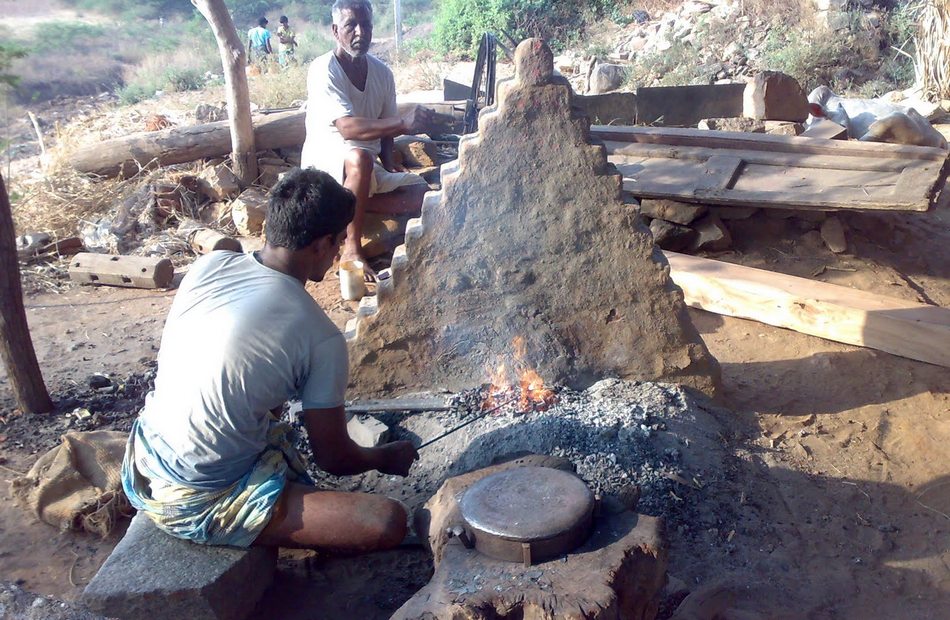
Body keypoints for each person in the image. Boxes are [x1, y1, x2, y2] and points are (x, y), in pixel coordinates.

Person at [121, 168, 419, 551]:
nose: (335, 256)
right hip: (196, 495)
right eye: (338, 242)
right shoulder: (321, 337)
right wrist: (382, 457)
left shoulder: (209, 266)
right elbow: (334, 458)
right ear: (321, 244)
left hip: (145, 453)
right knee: (385, 522)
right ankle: (250, 518)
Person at [301, 0, 433, 281]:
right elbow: (348, 129)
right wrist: (402, 123)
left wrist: (389, 159)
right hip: (328, 167)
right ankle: (351, 248)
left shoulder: (382, 73)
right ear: (336, 31)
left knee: (424, 193)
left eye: (367, 25)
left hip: (365, 170)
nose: (361, 32)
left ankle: (347, 206)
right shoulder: (323, 69)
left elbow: (384, 130)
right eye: (351, 25)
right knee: (359, 157)